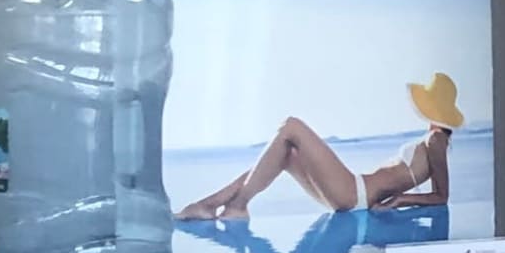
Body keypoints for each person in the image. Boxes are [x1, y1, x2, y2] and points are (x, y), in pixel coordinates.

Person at [179, 72, 463, 220]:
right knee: (286, 154)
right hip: (354, 193)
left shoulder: (436, 140)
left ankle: (235, 206)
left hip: (356, 193)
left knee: (291, 126)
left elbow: (441, 196)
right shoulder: (435, 139)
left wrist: (400, 200)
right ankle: (211, 205)